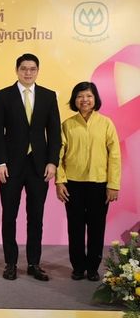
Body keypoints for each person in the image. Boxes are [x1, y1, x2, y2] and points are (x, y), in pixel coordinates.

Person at [0, 53, 61, 281]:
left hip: (39, 166)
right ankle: (10, 263)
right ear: (17, 70)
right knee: (9, 216)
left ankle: (34, 263)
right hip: (10, 166)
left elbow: (54, 133)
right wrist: (0, 162)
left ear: (37, 71)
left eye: (32, 69)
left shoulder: (48, 96)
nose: (28, 73)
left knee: (36, 217)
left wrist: (53, 162)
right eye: (24, 68)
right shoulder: (3, 96)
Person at [55, 82, 121, 282]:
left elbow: (115, 156)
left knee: (96, 227)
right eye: (80, 96)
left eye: (89, 96)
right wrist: (60, 181)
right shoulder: (67, 124)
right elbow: (59, 156)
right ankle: (77, 267)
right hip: (73, 184)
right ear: (75, 100)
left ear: (95, 99)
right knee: (74, 227)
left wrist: (113, 184)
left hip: (99, 184)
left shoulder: (106, 123)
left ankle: (92, 267)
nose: (85, 100)